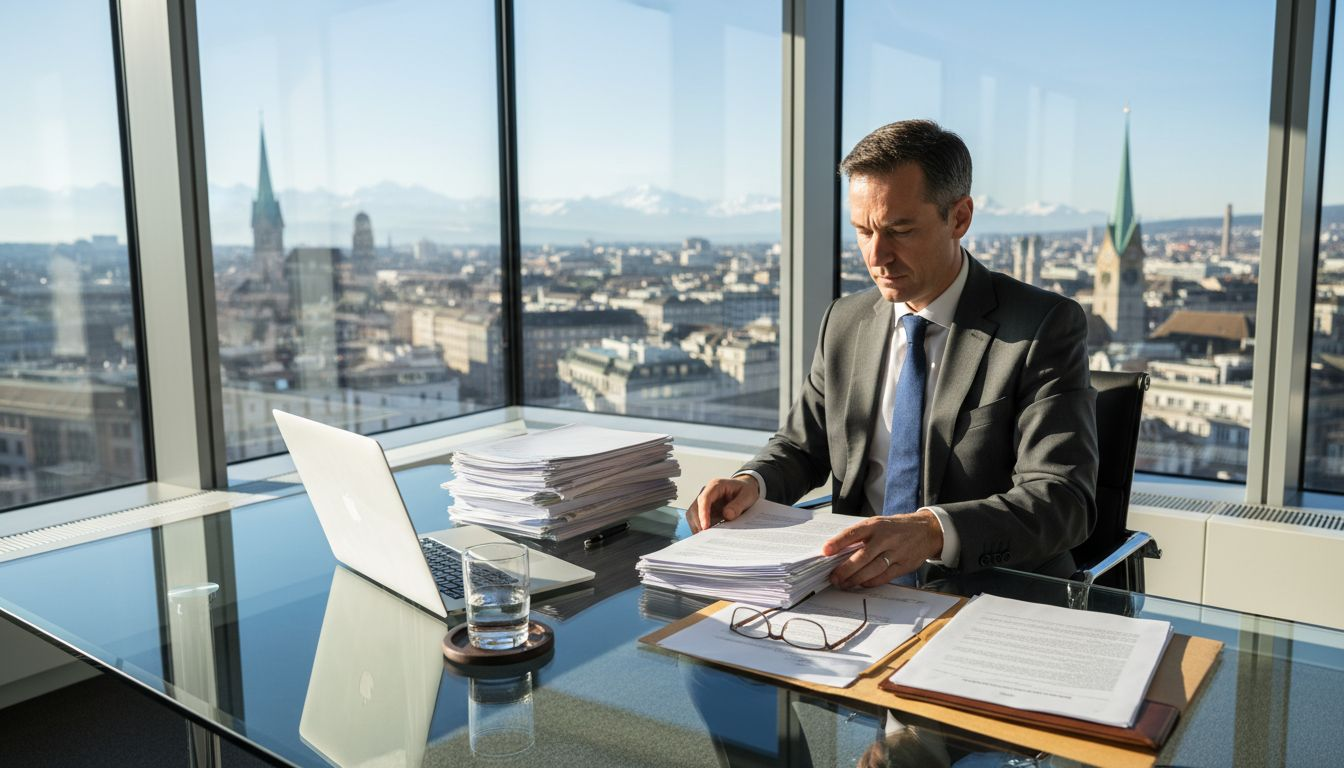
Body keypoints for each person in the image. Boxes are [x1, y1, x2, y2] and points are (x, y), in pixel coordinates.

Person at [689, 119, 1098, 586]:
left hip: (988, 594)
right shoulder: (845, 321)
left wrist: (932, 532)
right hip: (850, 585)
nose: (876, 255)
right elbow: (802, 446)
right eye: (863, 231)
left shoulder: (1041, 327)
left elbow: (1064, 499)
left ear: (959, 218)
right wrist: (751, 483)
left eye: (900, 230)